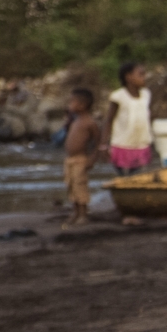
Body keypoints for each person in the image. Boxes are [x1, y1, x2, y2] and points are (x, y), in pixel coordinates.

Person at [103, 63, 155, 176]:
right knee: (124, 176)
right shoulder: (118, 96)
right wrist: (103, 144)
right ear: (128, 77)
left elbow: (147, 116)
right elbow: (109, 120)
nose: (144, 78)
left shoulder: (146, 94)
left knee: (137, 175)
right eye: (140, 75)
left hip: (141, 143)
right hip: (122, 144)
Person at [61, 87, 101, 227]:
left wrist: (93, 158)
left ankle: (83, 214)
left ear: (82, 106)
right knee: (71, 185)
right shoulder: (74, 121)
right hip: (70, 159)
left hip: (80, 159)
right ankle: (76, 211)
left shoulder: (89, 123)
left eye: (72, 102)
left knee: (80, 186)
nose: (69, 104)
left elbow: (98, 142)